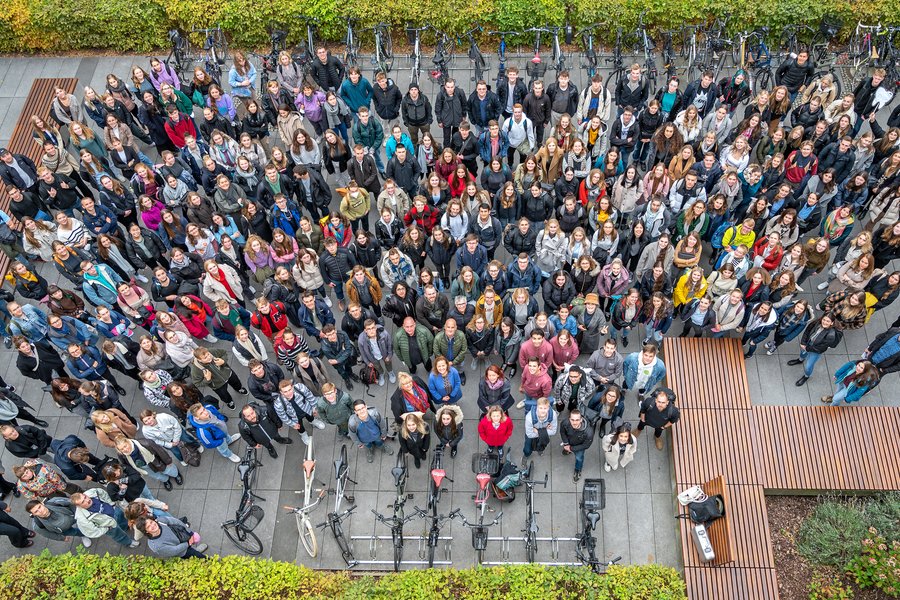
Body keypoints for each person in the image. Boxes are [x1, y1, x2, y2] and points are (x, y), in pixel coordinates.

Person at [787, 313, 843, 386]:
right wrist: (803, 342)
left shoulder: (831, 335)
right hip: (807, 343)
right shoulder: (816, 323)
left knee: (808, 366)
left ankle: (806, 376)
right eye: (824, 320)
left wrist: (807, 348)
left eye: (828, 321)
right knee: (802, 353)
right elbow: (807, 331)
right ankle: (800, 360)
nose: (825, 322)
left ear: (832, 323)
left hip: (816, 351)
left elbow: (820, 348)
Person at [71, 489, 139, 548]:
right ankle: (128, 542)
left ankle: (125, 527)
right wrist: (106, 529)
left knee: (122, 519)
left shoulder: (92, 492)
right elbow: (91, 532)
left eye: (85, 497)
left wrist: (112, 504)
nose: (87, 500)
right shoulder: (82, 518)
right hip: (109, 525)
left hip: (114, 511)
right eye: (83, 502)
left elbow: (103, 493)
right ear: (79, 506)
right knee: (118, 535)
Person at [273, 379, 324, 445]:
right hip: (294, 417)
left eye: (290, 389)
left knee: (310, 416)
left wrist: (314, 407)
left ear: (293, 387)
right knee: (299, 427)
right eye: (285, 392)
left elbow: (310, 396)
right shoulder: (278, 404)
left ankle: (313, 421)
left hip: (306, 408)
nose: (289, 393)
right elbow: (283, 416)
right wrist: (292, 424)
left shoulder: (300, 388)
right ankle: (303, 434)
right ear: (281, 392)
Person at [26, 496, 92, 547]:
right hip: (64, 530)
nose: (40, 511)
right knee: (75, 532)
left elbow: (70, 502)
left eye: (39, 507)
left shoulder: (55, 501)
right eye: (36, 511)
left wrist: (77, 514)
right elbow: (48, 534)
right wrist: (62, 538)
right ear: (33, 514)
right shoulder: (37, 525)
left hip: (72, 517)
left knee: (85, 523)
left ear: (42, 503)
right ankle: (83, 535)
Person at [136, 514, 208, 559]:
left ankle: (196, 550)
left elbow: (177, 522)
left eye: (151, 522)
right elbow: (175, 550)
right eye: (148, 527)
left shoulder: (160, 521)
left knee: (193, 549)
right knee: (199, 557)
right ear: (146, 531)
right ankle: (208, 561)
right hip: (183, 551)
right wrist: (188, 543)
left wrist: (190, 533)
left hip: (183, 538)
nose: (153, 525)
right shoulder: (156, 546)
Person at [559, 409, 594, 482]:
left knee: (579, 458)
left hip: (579, 447)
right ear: (569, 419)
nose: (574, 422)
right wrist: (566, 443)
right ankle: (567, 450)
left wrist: (571, 448)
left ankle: (578, 470)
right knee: (567, 449)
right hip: (568, 442)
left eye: (577, 420)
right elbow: (562, 432)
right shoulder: (565, 423)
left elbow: (586, 445)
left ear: (581, 420)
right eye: (572, 420)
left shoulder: (589, 432)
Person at [522, 397, 558, 465]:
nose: (543, 411)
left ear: (548, 407)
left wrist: (537, 431)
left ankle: (540, 450)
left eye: (545, 408)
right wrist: (545, 431)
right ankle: (526, 456)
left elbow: (553, 432)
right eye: (540, 408)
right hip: (542, 433)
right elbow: (529, 434)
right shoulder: (529, 417)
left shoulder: (553, 415)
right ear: (537, 407)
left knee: (542, 446)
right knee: (527, 449)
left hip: (537, 431)